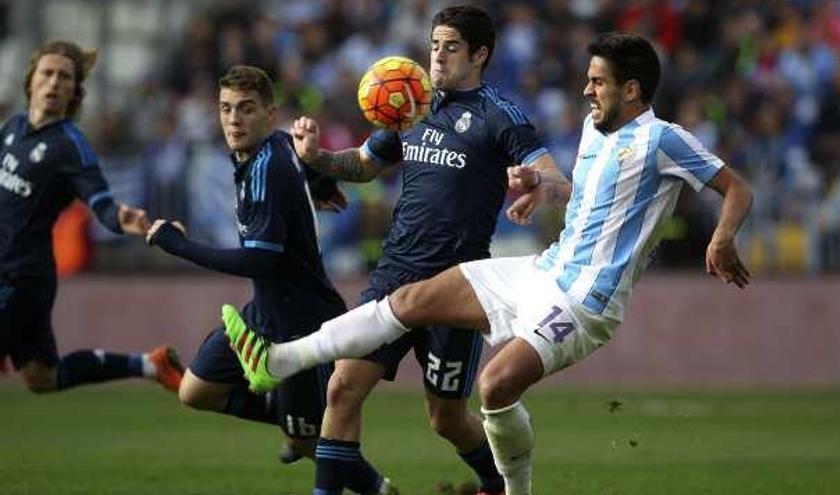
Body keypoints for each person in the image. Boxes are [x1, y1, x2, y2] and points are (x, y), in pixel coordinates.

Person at [225, 32, 754, 495]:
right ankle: (281, 360)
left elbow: (736, 188)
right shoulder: (596, 132)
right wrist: (536, 187)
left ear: (632, 89)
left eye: (597, 81)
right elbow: (582, 195)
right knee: (408, 301)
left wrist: (722, 238)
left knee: (494, 387)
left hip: (586, 300)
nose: (586, 90)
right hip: (544, 270)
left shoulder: (662, 139)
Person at [279, 5, 563, 495]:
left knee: (446, 417)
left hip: (457, 285)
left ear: (480, 54)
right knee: (342, 388)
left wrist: (538, 183)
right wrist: (317, 158)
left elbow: (557, 176)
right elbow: (365, 164)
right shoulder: (412, 104)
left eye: (450, 47)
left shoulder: (499, 115)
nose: (437, 57)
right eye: (434, 46)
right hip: (396, 274)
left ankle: (496, 484)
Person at [144, 65, 395, 494]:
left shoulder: (267, 167)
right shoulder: (271, 149)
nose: (234, 119)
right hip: (263, 312)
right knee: (194, 391)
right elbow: (294, 165)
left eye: (246, 109)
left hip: (300, 323)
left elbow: (259, 261)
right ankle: (287, 412)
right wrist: (314, 185)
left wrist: (178, 245)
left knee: (310, 439)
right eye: (225, 109)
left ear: (269, 113)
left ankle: (378, 489)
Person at [0, 40, 183, 394]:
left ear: (74, 91)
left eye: (64, 77)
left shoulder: (71, 147)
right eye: (47, 73)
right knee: (42, 377)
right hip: (16, 271)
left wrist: (122, 219)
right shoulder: (12, 128)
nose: (54, 83)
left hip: (20, 277)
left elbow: (102, 203)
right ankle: (149, 364)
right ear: (30, 81)